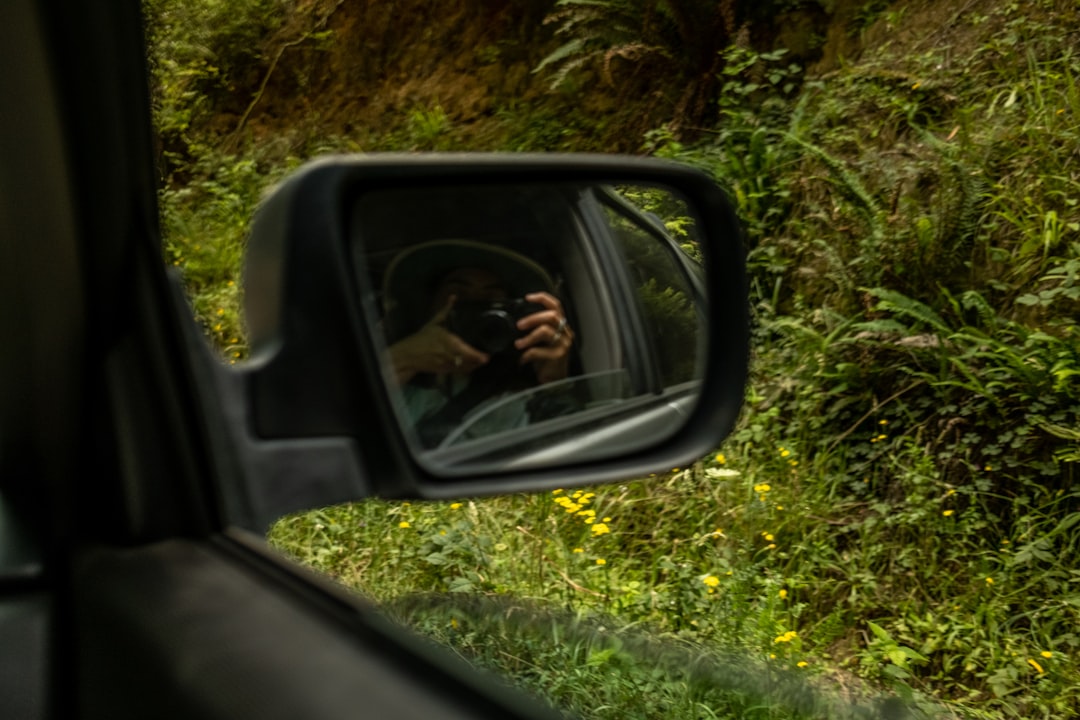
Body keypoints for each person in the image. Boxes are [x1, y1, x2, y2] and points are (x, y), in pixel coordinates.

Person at [381, 240, 574, 448]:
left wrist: (555, 384)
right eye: (459, 296)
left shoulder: (519, 395)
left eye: (491, 300)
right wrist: (401, 359)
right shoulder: (396, 385)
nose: (476, 312)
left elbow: (567, 443)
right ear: (431, 306)